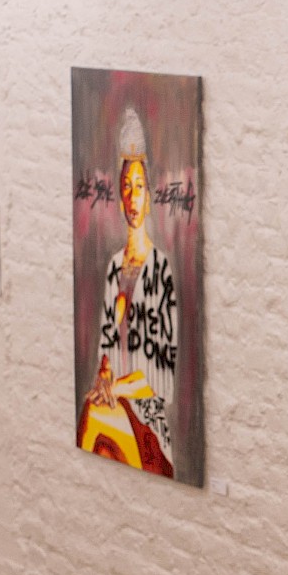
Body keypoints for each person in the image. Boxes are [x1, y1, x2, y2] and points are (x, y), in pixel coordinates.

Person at [81, 106, 178, 476]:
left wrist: (116, 390)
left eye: (139, 187)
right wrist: (104, 379)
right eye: (126, 188)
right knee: (93, 411)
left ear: (148, 197)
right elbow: (106, 353)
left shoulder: (160, 269)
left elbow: (161, 381)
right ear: (120, 198)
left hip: (147, 424)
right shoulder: (113, 268)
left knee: (93, 415)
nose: (133, 197)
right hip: (115, 409)